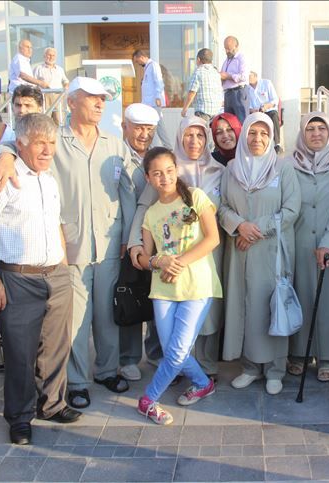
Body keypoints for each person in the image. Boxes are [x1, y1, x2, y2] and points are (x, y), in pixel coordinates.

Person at [0, 77, 137, 409]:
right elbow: (21, 145)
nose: (100, 104)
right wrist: (5, 156)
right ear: (71, 102)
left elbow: (127, 189)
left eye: (102, 99)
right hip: (69, 246)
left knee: (107, 315)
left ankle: (107, 370)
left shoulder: (114, 143)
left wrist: (129, 237)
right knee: (75, 320)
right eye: (92, 98)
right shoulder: (56, 139)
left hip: (109, 244)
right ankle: (78, 381)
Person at [0, 113, 82, 445]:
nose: (48, 150)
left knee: (56, 347)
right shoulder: (3, 175)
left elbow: (55, 225)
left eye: (52, 142)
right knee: (20, 354)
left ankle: (52, 404)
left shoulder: (49, 179)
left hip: (55, 275)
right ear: (20, 144)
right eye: (40, 143)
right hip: (17, 279)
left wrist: (63, 267)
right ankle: (19, 418)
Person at [128, 116, 226, 380]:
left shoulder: (219, 170)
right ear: (179, 138)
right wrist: (136, 244)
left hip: (206, 252)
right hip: (169, 258)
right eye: (188, 135)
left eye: (200, 135)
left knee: (204, 313)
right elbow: (144, 209)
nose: (194, 141)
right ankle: (170, 363)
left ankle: (204, 365)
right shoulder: (167, 169)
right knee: (168, 315)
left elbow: (226, 208)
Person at [135, 147, 222, 424]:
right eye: (157, 174)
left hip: (196, 286)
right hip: (163, 290)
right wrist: (158, 261)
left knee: (176, 352)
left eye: (169, 171)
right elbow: (145, 258)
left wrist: (180, 262)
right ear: (148, 178)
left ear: (177, 170)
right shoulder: (151, 214)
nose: (165, 178)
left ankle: (148, 400)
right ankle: (203, 384)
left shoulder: (196, 197)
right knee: (173, 350)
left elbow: (213, 238)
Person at [218, 112, 301, 395]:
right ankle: (250, 367)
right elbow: (222, 206)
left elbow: (291, 209)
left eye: (264, 133)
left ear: (272, 137)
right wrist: (239, 226)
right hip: (240, 251)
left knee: (272, 305)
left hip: (271, 250)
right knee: (245, 307)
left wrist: (256, 230)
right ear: (244, 136)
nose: (258, 138)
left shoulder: (282, 168)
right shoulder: (232, 169)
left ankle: (276, 369)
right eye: (252, 132)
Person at [288, 112, 329, 382]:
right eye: (310, 129)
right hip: (298, 240)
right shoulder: (289, 164)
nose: (316, 134)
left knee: (326, 299)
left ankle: (328, 357)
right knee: (300, 294)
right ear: (302, 133)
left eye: (321, 128)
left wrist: (328, 242)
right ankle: (299, 354)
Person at [118, 103, 164, 382]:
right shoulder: (115, 155)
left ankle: (157, 353)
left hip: (159, 241)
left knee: (159, 297)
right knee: (130, 296)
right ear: (125, 127)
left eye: (149, 129)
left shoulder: (159, 157)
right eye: (138, 128)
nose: (144, 134)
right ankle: (128, 357)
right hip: (125, 241)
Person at [132, 49, 172, 148]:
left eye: (137, 61)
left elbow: (159, 81)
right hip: (149, 103)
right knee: (156, 125)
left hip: (154, 102)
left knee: (152, 125)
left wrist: (158, 97)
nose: (138, 63)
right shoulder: (148, 67)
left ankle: (155, 147)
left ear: (141, 57)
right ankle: (165, 146)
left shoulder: (153, 65)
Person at [181, 48, 223, 122]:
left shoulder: (198, 72)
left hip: (203, 111)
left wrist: (185, 109)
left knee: (202, 129)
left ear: (198, 59)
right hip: (217, 111)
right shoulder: (216, 73)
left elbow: (192, 92)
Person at [33, 47, 69, 125]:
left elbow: (65, 81)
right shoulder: (38, 69)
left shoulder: (60, 69)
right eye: (49, 55)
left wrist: (66, 86)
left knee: (59, 119)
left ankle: (58, 133)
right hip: (44, 96)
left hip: (58, 96)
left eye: (53, 55)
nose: (51, 57)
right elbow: (33, 83)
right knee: (45, 119)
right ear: (44, 56)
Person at [248, 71, 280, 150]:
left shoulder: (267, 83)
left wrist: (267, 106)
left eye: (250, 76)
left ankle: (277, 144)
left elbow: (275, 100)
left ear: (255, 76)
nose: (248, 78)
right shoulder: (246, 88)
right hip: (255, 112)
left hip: (268, 110)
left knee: (274, 115)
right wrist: (252, 110)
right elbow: (247, 105)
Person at [220, 36, 248, 124]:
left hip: (238, 92)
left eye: (229, 48)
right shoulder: (226, 61)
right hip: (228, 93)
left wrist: (229, 76)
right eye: (225, 48)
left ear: (236, 46)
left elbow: (244, 76)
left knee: (241, 121)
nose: (226, 51)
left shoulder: (241, 58)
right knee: (229, 123)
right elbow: (223, 76)